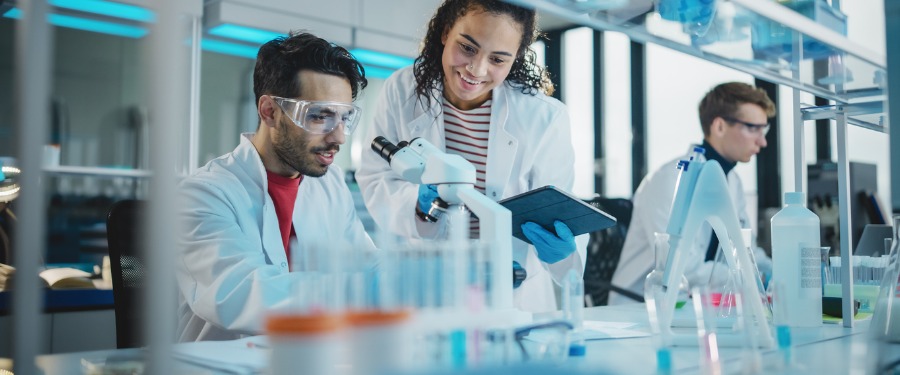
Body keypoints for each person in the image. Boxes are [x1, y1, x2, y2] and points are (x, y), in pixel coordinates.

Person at [355, 0, 587, 313]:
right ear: (445, 31)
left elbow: (559, 210)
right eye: (467, 47)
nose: (476, 69)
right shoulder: (402, 90)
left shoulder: (544, 118)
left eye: (498, 59)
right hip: (427, 289)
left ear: (515, 58)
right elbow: (376, 177)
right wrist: (418, 205)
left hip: (514, 295)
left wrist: (561, 254)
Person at [176, 31, 375, 341]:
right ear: (269, 111)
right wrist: (357, 291)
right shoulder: (204, 194)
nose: (339, 137)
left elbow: (367, 265)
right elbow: (241, 292)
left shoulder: (331, 185)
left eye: (344, 118)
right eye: (320, 116)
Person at [609, 82, 775, 305]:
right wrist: (751, 278)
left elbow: (746, 251)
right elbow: (683, 268)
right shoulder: (671, 179)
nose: (762, 141)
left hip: (696, 304)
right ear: (719, 127)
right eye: (753, 128)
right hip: (639, 310)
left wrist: (776, 275)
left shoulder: (732, 182)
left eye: (764, 130)